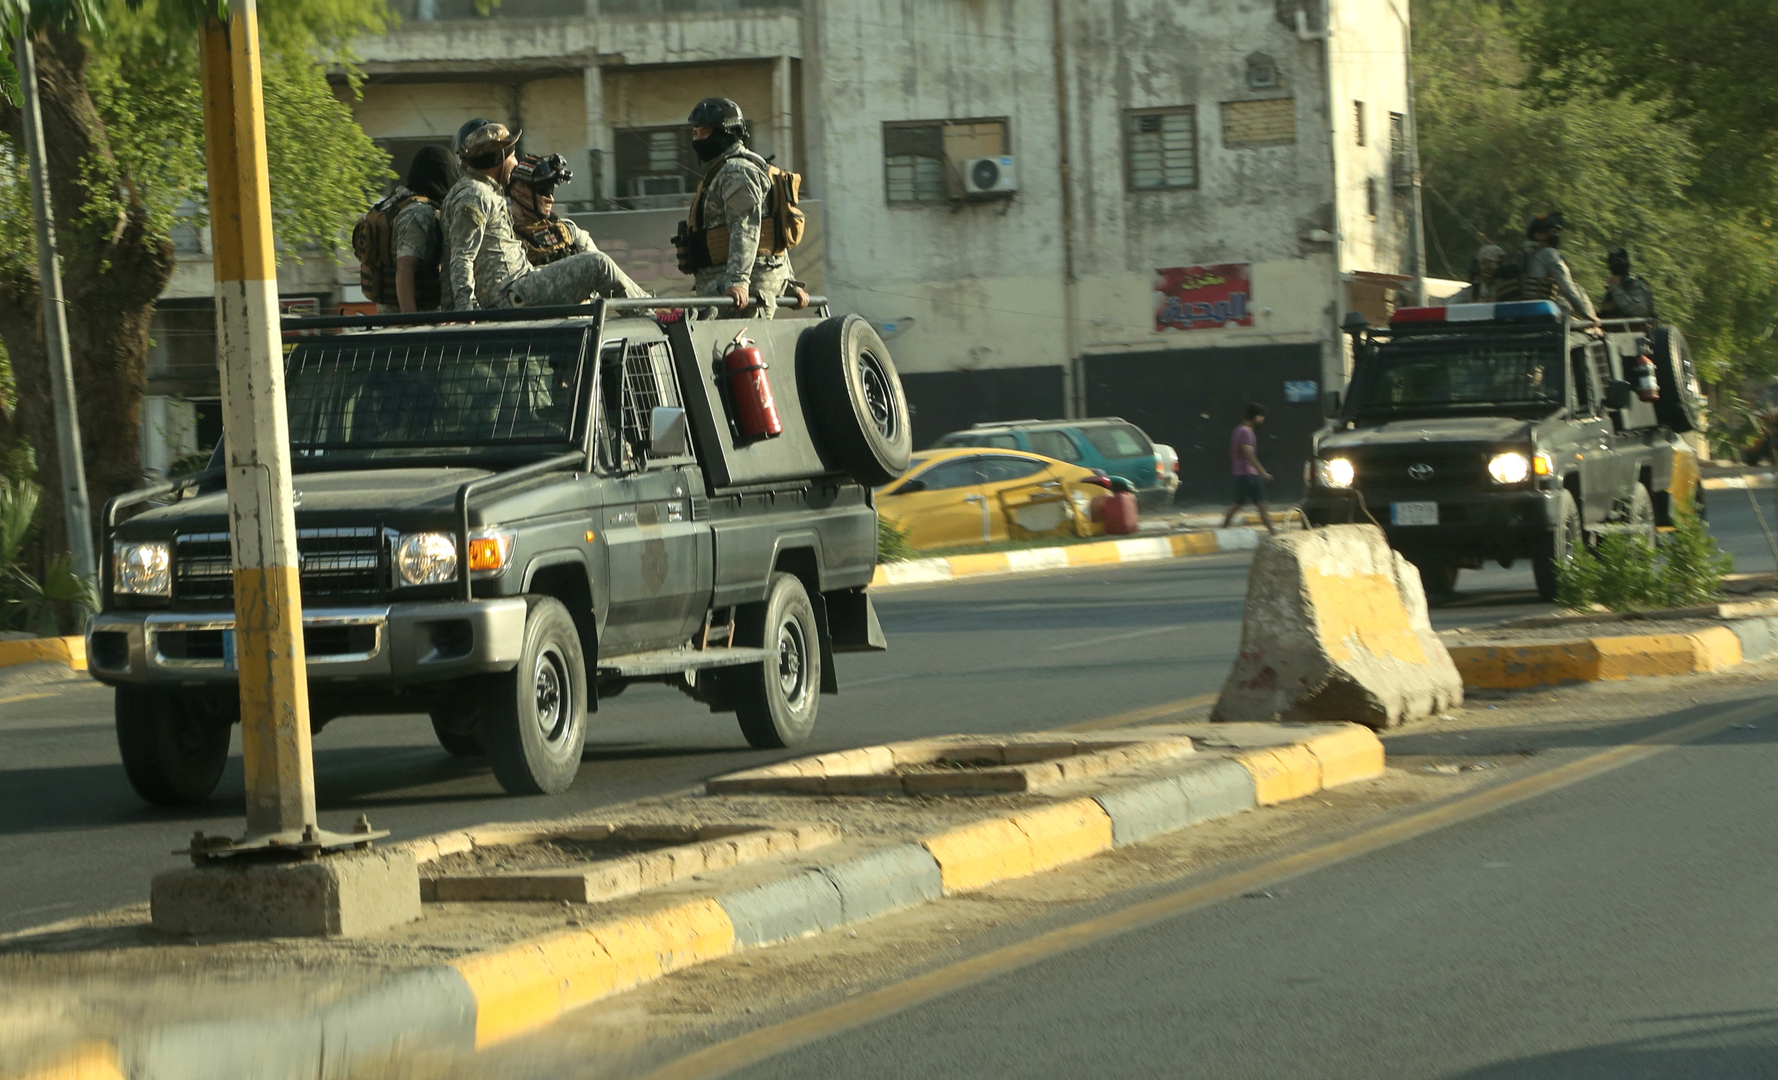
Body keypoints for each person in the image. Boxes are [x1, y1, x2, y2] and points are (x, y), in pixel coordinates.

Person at [442, 123, 647, 310]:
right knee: (597, 265)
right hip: (511, 294)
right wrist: (464, 309)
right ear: (500, 157)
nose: (515, 164)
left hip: (517, 287)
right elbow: (462, 255)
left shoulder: (476, 192)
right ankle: (651, 314)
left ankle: (647, 308)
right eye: (512, 156)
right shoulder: (475, 195)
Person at [677, 97, 808, 318]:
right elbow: (768, 228)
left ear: (727, 132)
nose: (698, 139)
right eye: (694, 133)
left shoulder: (737, 172)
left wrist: (738, 281)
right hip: (730, 287)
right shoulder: (729, 169)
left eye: (705, 132)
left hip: (740, 294)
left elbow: (747, 227)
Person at [507, 152, 624, 272]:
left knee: (602, 262)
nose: (551, 198)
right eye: (544, 190)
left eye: (551, 191)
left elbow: (602, 268)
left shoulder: (567, 229)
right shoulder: (504, 236)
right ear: (520, 191)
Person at [379, 145, 452, 314]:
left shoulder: (395, 202)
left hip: (392, 316)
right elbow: (405, 267)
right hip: (416, 317)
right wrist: (412, 324)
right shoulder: (417, 212)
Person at [1520, 212, 1599, 327]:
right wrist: (1588, 315)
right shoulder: (1549, 254)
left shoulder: (1522, 254)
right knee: (1577, 289)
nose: (1557, 236)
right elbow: (1567, 287)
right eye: (1553, 232)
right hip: (1543, 315)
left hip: (1521, 316)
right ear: (1538, 234)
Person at [1221, 403, 1276, 535]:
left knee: (1258, 505)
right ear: (1256, 417)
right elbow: (1249, 454)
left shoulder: (1239, 430)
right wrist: (1263, 472)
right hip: (1248, 475)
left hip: (1246, 474)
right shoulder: (1245, 432)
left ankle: (1273, 533)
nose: (1263, 420)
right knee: (1240, 504)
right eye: (1262, 416)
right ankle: (1222, 529)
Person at [1598, 248, 1656, 319]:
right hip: (1610, 328)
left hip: (1634, 328)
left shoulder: (1638, 285)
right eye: (1611, 262)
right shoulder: (1610, 290)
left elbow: (1638, 310)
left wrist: (1615, 288)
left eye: (1618, 261)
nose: (1614, 265)